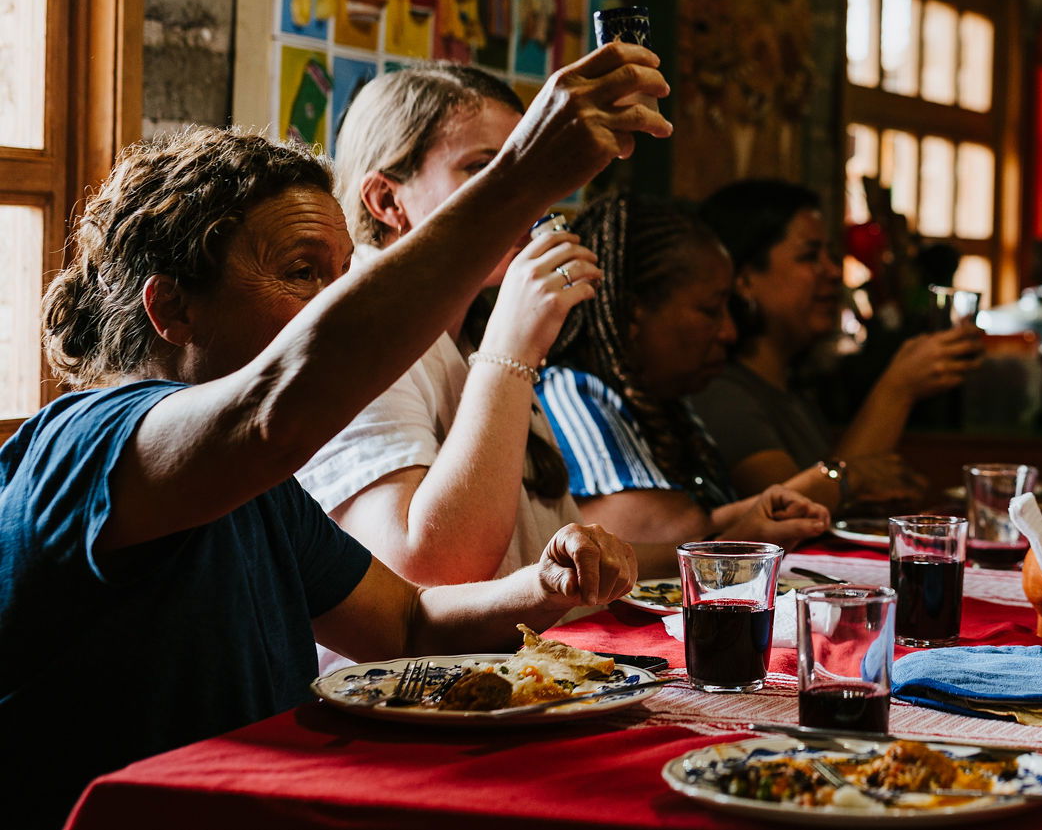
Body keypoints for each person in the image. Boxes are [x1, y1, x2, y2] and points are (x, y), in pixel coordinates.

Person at [0, 41, 664, 828]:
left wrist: (547, 584)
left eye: (343, 273)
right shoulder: (89, 442)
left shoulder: (252, 486)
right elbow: (277, 406)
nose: (332, 301)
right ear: (172, 308)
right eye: (302, 270)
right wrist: (520, 176)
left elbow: (408, 624)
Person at [299, 65, 820, 590]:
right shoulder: (359, 327)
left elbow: (542, 563)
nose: (524, 198)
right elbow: (432, 569)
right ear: (388, 202)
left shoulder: (470, 327)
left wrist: (727, 539)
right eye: (485, 169)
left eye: (528, 171)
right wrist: (511, 350)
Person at [537, 194, 835, 545]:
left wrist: (758, 510)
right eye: (710, 311)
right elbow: (644, 532)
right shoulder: (569, 389)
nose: (729, 332)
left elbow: (696, 524)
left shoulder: (667, 400)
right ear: (633, 313)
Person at [692, 180, 981, 511]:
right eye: (809, 256)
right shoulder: (720, 394)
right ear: (744, 279)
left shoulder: (792, 391)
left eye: (830, 255)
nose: (832, 271)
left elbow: (840, 491)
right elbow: (789, 514)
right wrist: (899, 386)